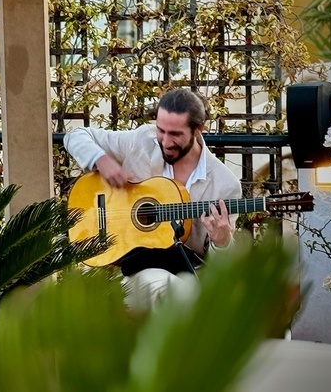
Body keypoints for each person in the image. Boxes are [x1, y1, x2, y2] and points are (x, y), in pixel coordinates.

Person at [63, 88, 242, 312]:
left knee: (181, 290)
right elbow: (75, 135)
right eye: (161, 130)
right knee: (171, 290)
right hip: (128, 265)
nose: (165, 142)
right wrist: (101, 160)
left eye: (175, 134)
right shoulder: (143, 140)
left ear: (198, 129)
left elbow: (219, 265)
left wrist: (222, 242)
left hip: (185, 273)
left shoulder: (224, 184)